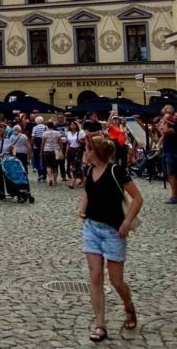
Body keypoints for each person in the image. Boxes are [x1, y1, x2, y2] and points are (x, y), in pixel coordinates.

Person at [79, 135, 143, 342]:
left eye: (88, 149)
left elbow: (137, 198)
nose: (85, 153)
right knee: (95, 276)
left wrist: (127, 222)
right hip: (91, 229)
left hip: (113, 232)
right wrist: (82, 209)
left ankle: (129, 306)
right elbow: (88, 193)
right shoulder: (89, 170)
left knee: (116, 281)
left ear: (96, 152)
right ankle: (100, 325)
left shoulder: (116, 171)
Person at [157, 105, 177, 203]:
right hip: (166, 151)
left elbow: (165, 130)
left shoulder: (174, 126)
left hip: (171, 152)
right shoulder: (171, 124)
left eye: (169, 115)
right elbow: (162, 132)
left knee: (171, 174)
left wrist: (165, 121)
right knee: (167, 174)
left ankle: (174, 196)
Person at [40, 121, 63, 187]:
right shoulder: (57, 133)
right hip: (55, 150)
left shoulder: (45, 133)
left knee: (48, 165)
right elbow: (60, 142)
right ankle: (55, 180)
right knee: (55, 166)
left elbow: (43, 143)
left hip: (47, 150)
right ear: (53, 126)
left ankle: (50, 178)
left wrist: (41, 151)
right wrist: (61, 150)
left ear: (47, 126)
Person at [66, 120, 86, 188]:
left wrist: (80, 141)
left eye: (74, 124)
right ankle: (83, 181)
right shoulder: (68, 133)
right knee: (77, 166)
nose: (73, 126)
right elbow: (68, 143)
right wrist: (66, 152)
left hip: (78, 150)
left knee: (75, 166)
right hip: (71, 150)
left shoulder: (80, 132)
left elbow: (86, 141)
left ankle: (73, 182)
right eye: (71, 124)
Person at [31, 115, 46, 181]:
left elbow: (33, 137)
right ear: (42, 121)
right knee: (44, 160)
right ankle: (44, 175)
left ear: (36, 121)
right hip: (45, 145)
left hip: (36, 145)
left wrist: (31, 144)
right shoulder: (45, 127)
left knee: (36, 159)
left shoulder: (35, 128)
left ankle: (40, 174)